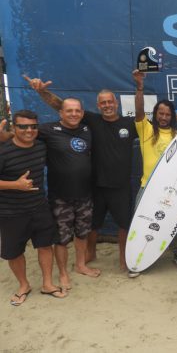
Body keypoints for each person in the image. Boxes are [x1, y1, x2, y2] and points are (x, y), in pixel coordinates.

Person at [24, 75, 138, 271]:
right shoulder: (90, 120)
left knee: (124, 225)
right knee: (91, 226)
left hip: (121, 186)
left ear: (116, 103)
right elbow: (62, 106)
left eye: (110, 101)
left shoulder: (130, 123)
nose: (107, 105)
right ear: (98, 105)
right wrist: (42, 91)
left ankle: (123, 258)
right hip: (95, 185)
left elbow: (160, 127)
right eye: (103, 103)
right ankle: (90, 253)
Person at [132, 70, 177, 275]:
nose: (164, 117)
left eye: (168, 114)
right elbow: (139, 111)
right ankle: (136, 258)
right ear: (155, 114)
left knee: (172, 224)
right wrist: (140, 87)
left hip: (169, 190)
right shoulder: (146, 130)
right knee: (140, 223)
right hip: (146, 186)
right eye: (161, 113)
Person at [0, 111, 67, 305]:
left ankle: (47, 284)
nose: (29, 130)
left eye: (33, 126)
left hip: (39, 207)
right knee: (14, 253)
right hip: (11, 213)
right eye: (23, 126)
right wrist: (15, 185)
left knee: (45, 245)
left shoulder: (41, 147)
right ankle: (23, 285)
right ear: (14, 128)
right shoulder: (3, 151)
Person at [40, 98, 100, 290]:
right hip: (60, 197)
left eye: (77, 111)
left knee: (82, 234)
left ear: (82, 113)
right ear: (61, 113)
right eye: (69, 111)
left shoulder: (87, 130)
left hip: (84, 195)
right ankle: (64, 273)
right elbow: (23, 135)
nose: (73, 114)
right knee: (62, 238)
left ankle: (80, 265)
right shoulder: (48, 130)